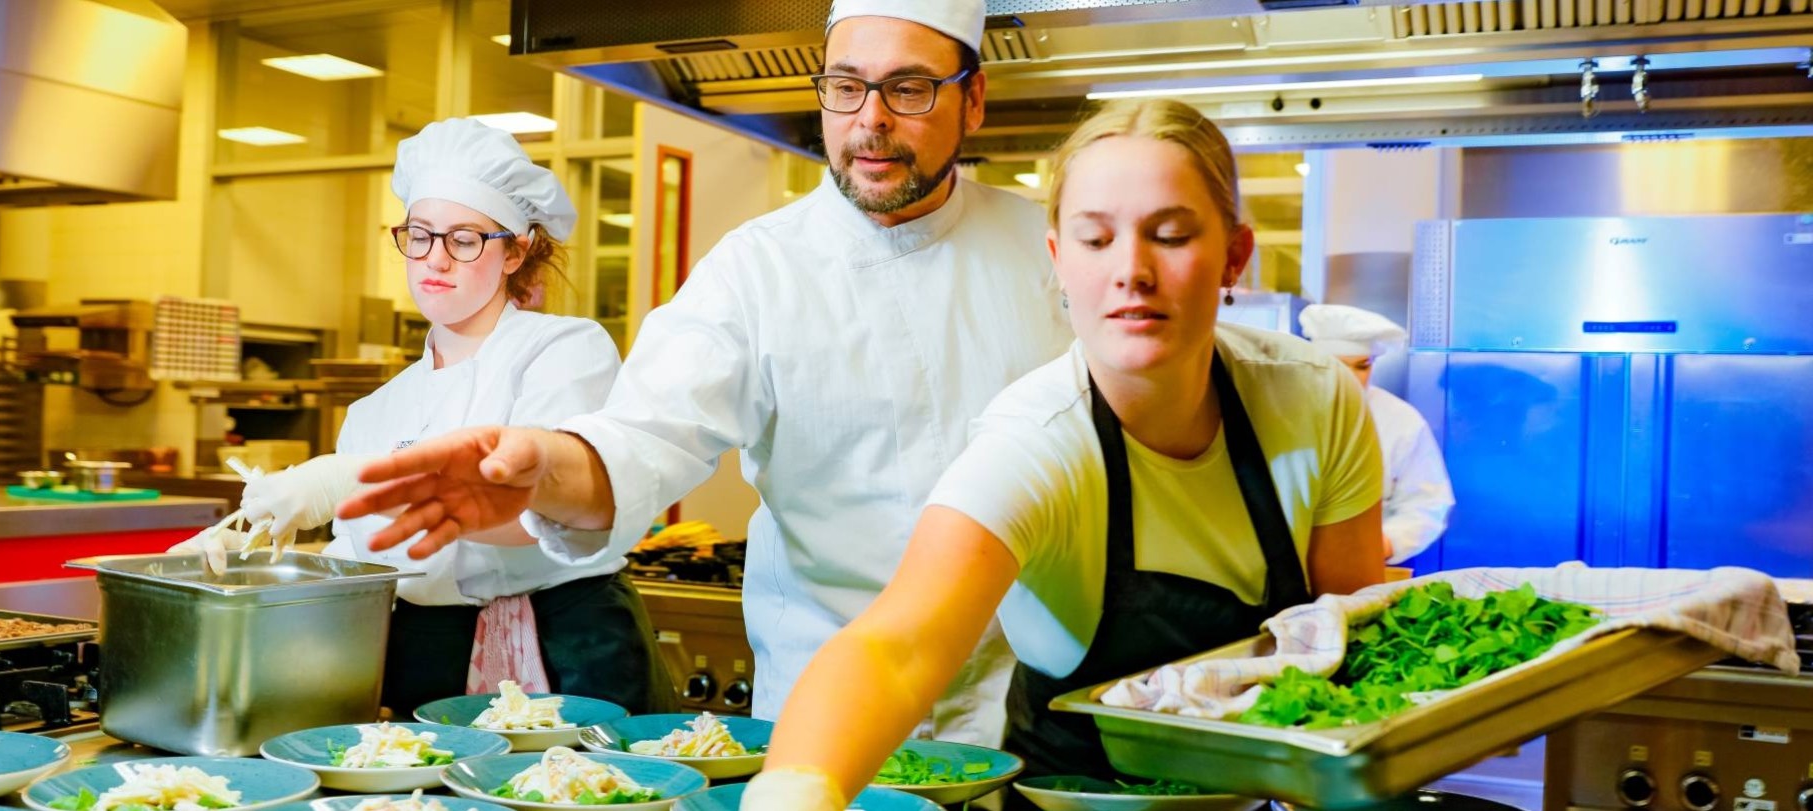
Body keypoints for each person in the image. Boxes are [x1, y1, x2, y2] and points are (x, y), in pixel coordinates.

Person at [335, 0, 1073, 748]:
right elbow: (645, 434)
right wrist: (547, 468)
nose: (869, 118)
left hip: (1025, 708)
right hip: (829, 719)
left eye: (908, 88)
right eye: (845, 86)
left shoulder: (1056, 254)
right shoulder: (758, 268)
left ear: (973, 99)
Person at [737, 99, 1387, 811]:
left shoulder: (1314, 397)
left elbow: (1353, 637)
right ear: (1057, 260)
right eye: (1095, 239)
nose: (1131, 270)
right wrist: (796, 789)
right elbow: (897, 646)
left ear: (1235, 254)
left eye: (1169, 235)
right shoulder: (1039, 440)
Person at [177, 118, 674, 718]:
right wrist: (255, 553)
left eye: (465, 239)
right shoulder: (373, 410)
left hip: (566, 644)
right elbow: (365, 559)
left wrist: (349, 481)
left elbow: (539, 512)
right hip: (422, 651)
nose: (436, 259)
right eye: (420, 235)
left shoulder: (563, 349)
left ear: (514, 250)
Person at [1299, 303, 1454, 565]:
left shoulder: (1400, 420)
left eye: (1361, 366)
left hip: (1362, 566)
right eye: (1336, 366)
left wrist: (1383, 543)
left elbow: (1427, 504)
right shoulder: (1281, 407)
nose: (1350, 378)